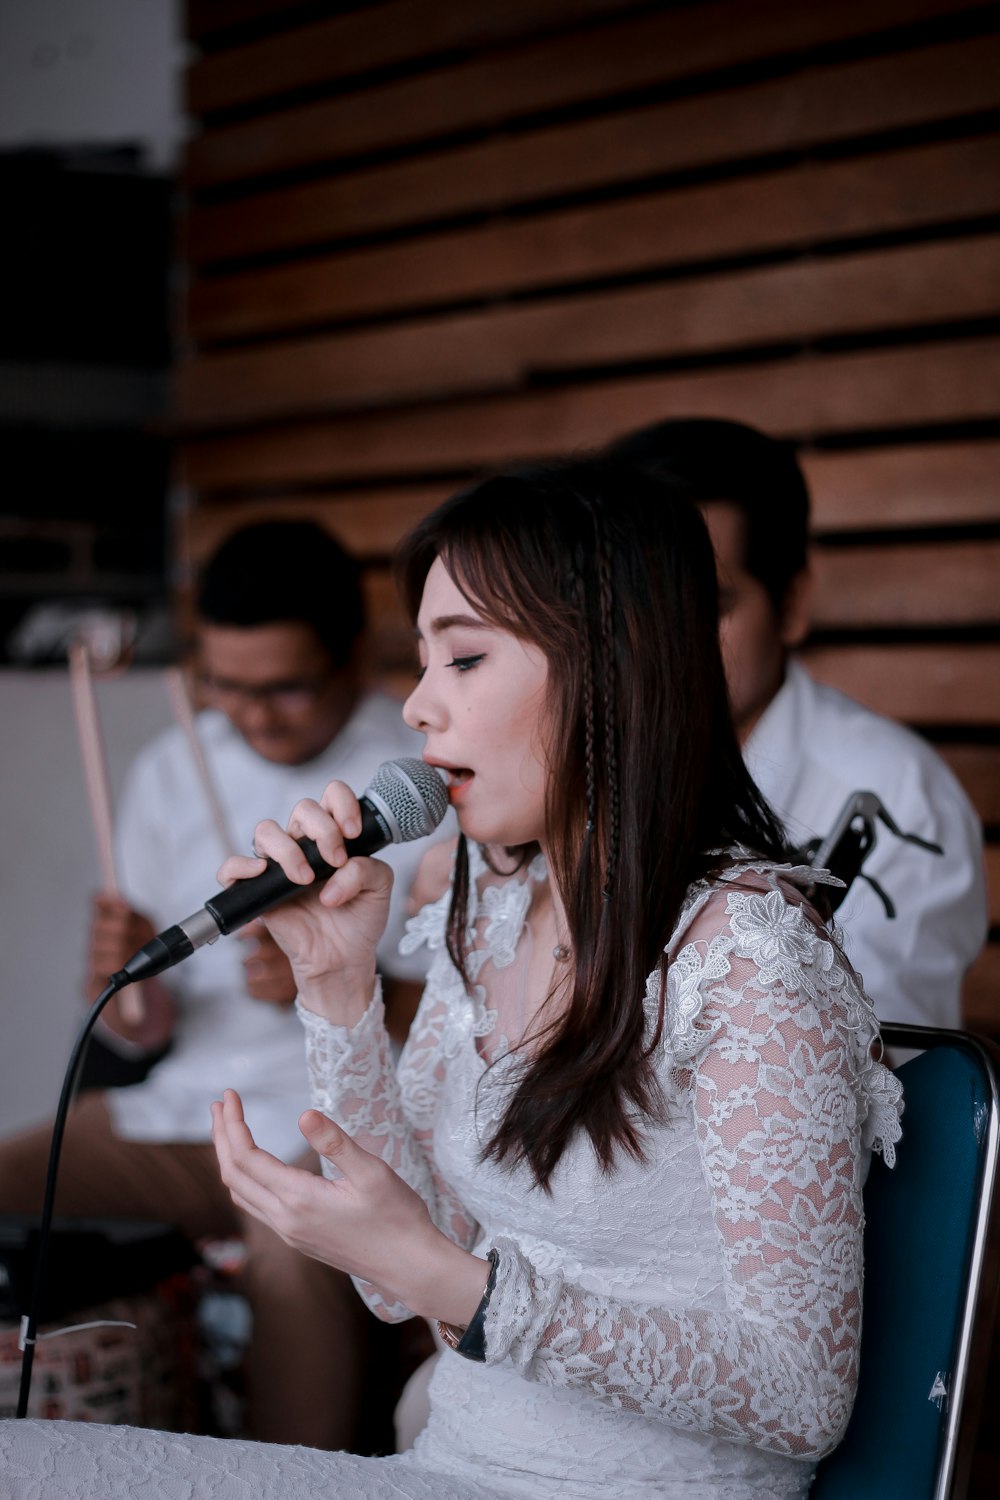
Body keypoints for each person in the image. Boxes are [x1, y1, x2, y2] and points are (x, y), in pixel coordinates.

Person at [1, 460, 903, 1499]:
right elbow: (410, 1293)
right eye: (422, 661)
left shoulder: (750, 959)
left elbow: (798, 1396)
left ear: (612, 667)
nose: (420, 708)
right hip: (451, 1470)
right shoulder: (487, 902)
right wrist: (335, 993)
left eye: (463, 659)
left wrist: (455, 1285)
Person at [0, 520, 436, 1451]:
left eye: (283, 687)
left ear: (351, 655)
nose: (252, 716)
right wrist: (133, 1002)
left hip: (349, 1125)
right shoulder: (170, 767)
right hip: (193, 1113)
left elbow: (479, 1014)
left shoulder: (417, 774)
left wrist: (341, 975)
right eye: (225, 686)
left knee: (291, 1250)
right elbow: (145, 1031)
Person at [608, 417, 987, 1030]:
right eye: (631, 607)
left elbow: (884, 1079)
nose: (661, 644)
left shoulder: (899, 796)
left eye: (706, 606)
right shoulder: (567, 763)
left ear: (792, 605)